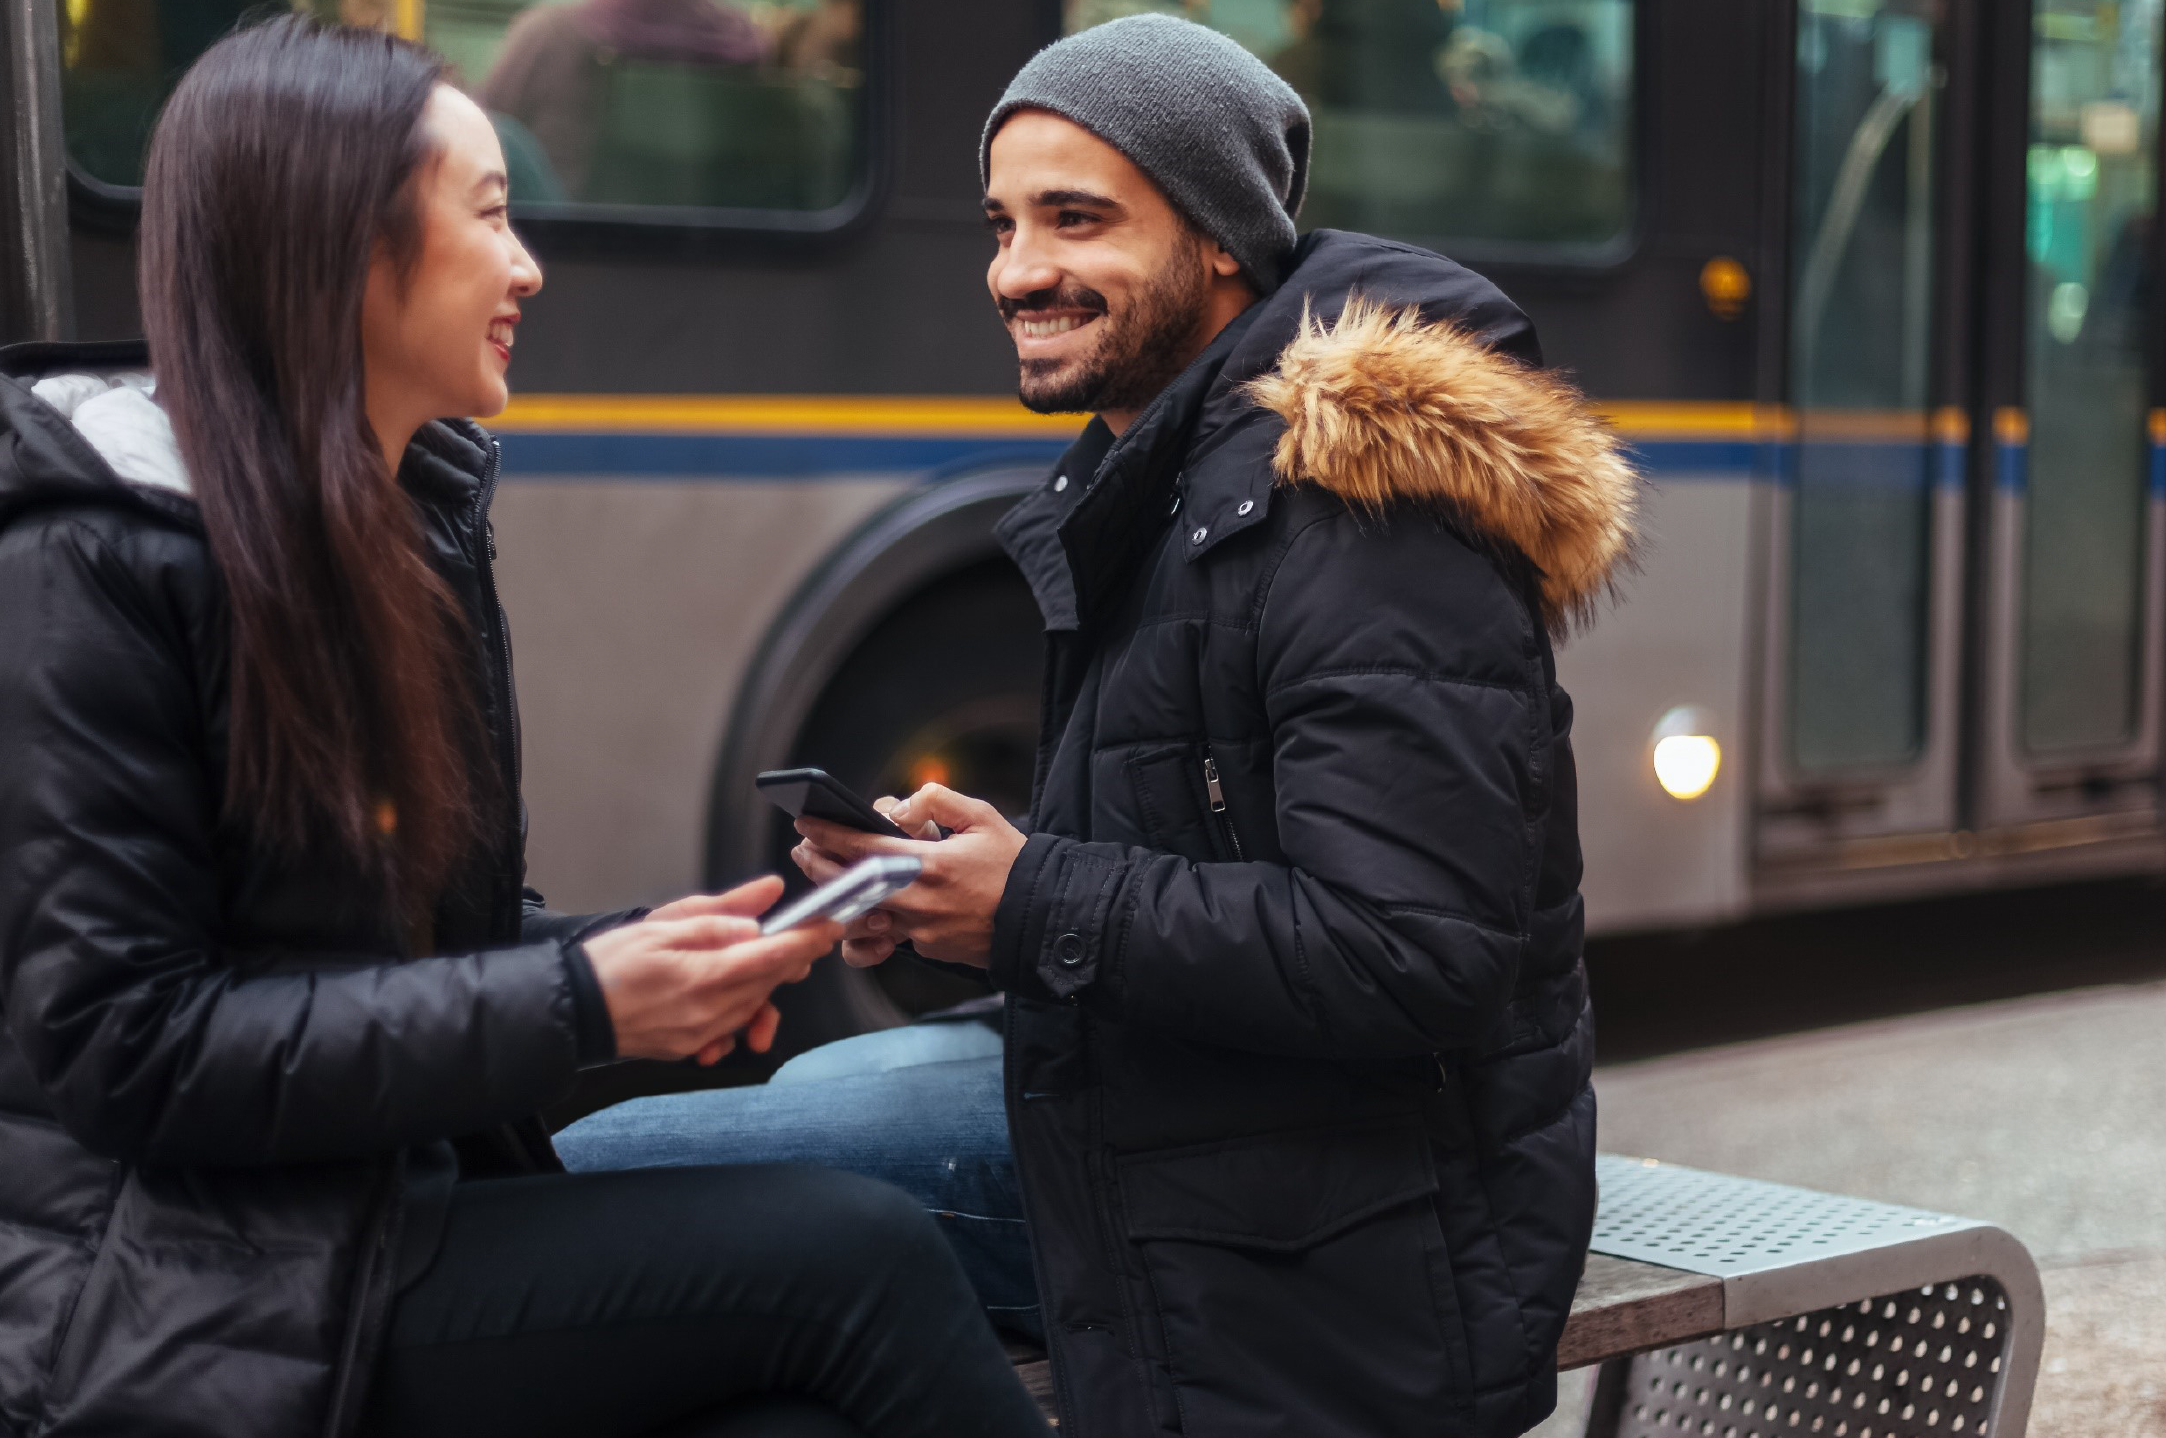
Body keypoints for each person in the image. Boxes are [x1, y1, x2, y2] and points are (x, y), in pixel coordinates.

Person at [561, 14, 1634, 1436]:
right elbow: (1197, 850)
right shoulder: (1185, 464)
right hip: (1230, 1118)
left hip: (1353, 1204)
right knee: (799, 1094)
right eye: (1003, 224)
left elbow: (1410, 950)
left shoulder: (1358, 503)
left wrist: (1030, 900)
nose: (1018, 272)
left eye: (1077, 220)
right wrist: (963, 890)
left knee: (591, 1172)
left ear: (1218, 243)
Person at [0, 18, 1049, 1438]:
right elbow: (132, 1048)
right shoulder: (90, 561)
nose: (527, 264)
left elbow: (419, 954)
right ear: (343, 249)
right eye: (490, 215)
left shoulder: (398, 521)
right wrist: (581, 1003)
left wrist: (668, 949)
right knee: (863, 1255)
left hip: (359, 1212)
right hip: (175, 1278)